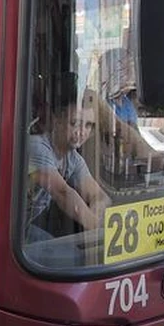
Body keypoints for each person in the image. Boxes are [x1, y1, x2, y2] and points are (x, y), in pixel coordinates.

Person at [26, 85, 111, 241]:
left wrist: (96, 211)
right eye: (74, 123)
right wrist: (97, 228)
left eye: (88, 125)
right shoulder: (37, 146)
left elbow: (100, 196)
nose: (82, 131)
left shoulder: (73, 158)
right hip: (9, 229)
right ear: (57, 120)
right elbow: (62, 193)